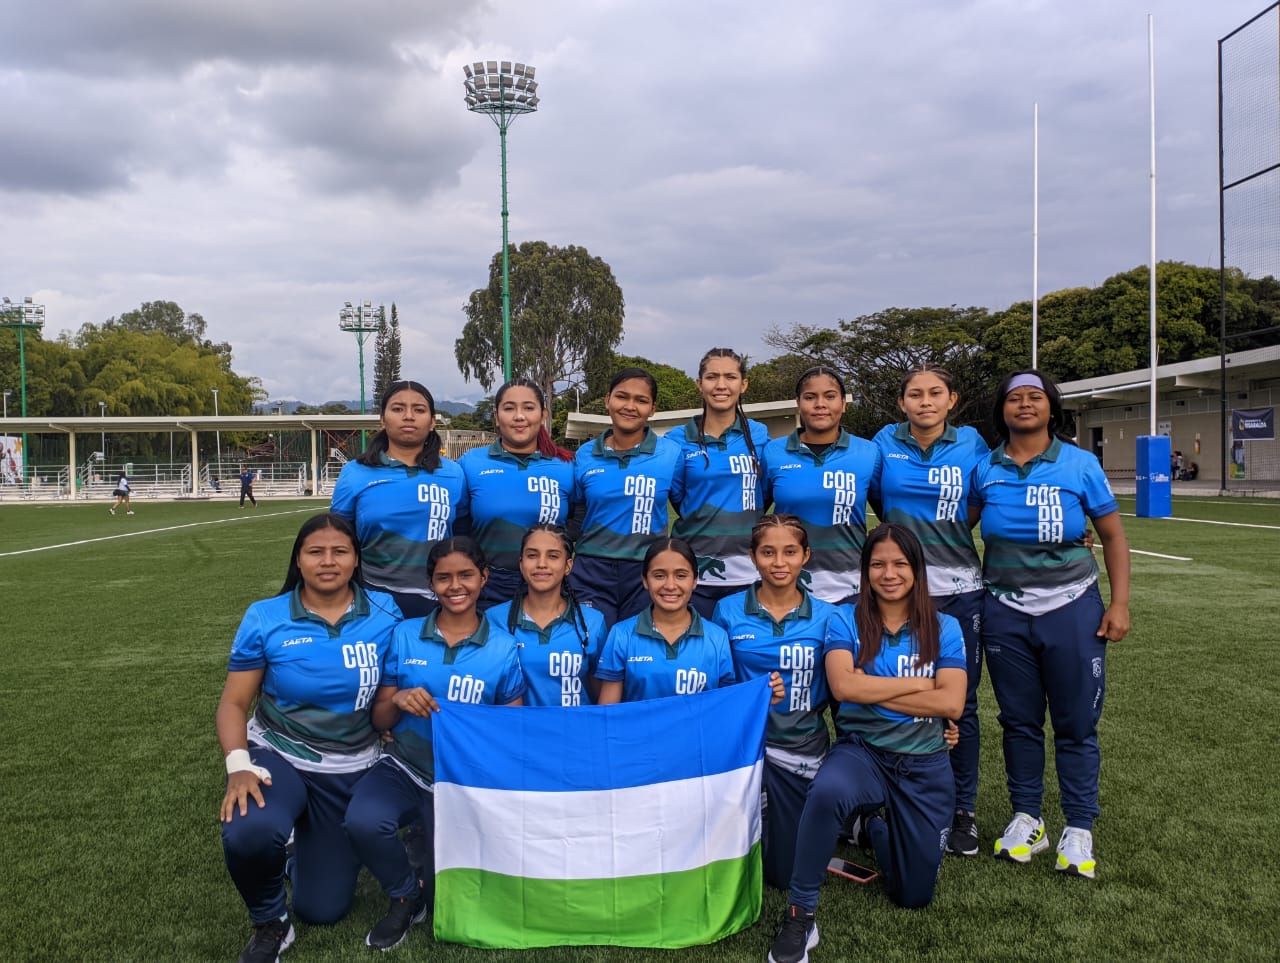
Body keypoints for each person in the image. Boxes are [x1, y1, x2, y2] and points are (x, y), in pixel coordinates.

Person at [766, 524, 966, 963]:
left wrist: (870, 683)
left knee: (913, 896)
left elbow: (952, 701)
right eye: (878, 564)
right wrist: (920, 688)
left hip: (925, 763)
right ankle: (801, 915)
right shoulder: (844, 618)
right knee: (828, 789)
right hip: (864, 752)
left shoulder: (945, 626)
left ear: (916, 569)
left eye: (899, 564)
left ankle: (873, 827)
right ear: (865, 569)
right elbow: (842, 688)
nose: (888, 573)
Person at [217, 513, 402, 963]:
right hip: (281, 752)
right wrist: (238, 766)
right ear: (298, 560)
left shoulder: (385, 612)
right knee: (249, 829)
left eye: (340, 551)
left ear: (356, 558)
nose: (328, 561)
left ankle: (300, 852)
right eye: (315, 551)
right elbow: (234, 704)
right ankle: (271, 923)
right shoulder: (266, 616)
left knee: (321, 909)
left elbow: (391, 692)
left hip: (352, 764)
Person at [972, 369, 1130, 879]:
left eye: (1034, 398)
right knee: (1018, 720)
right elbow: (958, 529)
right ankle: (1027, 818)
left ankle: (1079, 826)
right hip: (1005, 608)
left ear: (1050, 408)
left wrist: (1120, 603)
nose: (1023, 405)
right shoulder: (985, 468)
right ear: (1001, 409)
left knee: (1075, 723)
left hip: (1072, 605)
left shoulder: (1080, 464)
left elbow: (1111, 537)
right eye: (1013, 398)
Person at [343, 537, 525, 951]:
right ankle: (403, 893)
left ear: (484, 578)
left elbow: (512, 728)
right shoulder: (405, 635)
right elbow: (380, 718)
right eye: (443, 578)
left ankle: (425, 863)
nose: (455, 585)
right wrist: (398, 701)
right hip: (407, 765)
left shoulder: (502, 648)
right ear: (431, 584)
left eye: (465, 575)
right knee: (364, 821)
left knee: (448, 898)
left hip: (464, 780)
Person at [869, 366, 990, 856]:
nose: (924, 401)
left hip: (959, 589)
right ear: (902, 403)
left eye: (934, 393)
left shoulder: (972, 444)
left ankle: (963, 809)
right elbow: (875, 498)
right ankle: (883, 797)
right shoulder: (883, 443)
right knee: (888, 689)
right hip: (896, 592)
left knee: (963, 701)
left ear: (951, 399)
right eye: (914, 394)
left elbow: (981, 500)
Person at [712, 514, 841, 890]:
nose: (779, 563)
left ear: (806, 556)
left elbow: (842, 692)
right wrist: (754, 691)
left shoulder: (830, 617)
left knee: (781, 875)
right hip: (746, 748)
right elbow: (721, 683)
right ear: (752, 556)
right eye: (768, 552)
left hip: (802, 749)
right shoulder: (728, 610)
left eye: (789, 552)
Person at [330, 380, 468, 618]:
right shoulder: (355, 473)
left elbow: (463, 532)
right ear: (382, 419)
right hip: (374, 600)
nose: (408, 416)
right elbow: (337, 540)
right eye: (397, 409)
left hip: (440, 603)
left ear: (432, 421)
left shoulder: (453, 473)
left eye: (419, 409)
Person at [569, 368, 682, 624]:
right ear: (608, 400)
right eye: (622, 397)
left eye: (641, 400)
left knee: (638, 648)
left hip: (646, 571)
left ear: (652, 408)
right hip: (590, 572)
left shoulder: (671, 455)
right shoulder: (585, 455)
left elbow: (686, 510)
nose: (630, 406)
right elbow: (576, 514)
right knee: (591, 645)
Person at [763, 367, 880, 606]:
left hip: (852, 590)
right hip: (788, 587)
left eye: (829, 396)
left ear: (844, 403)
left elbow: (886, 513)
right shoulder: (773, 452)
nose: (820, 404)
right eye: (810, 397)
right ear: (798, 403)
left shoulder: (869, 452)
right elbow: (756, 514)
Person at [668, 347, 771, 617]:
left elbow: (766, 494)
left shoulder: (760, 435)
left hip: (749, 574)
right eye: (712, 377)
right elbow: (679, 499)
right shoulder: (676, 440)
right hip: (693, 575)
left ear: (743, 384)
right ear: (699, 384)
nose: (721, 385)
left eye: (730, 377)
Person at [460, 379, 576, 609]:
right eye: (509, 408)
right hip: (488, 586)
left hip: (549, 585)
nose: (519, 416)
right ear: (496, 416)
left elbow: (578, 516)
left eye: (528, 408)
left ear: (543, 414)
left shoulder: (566, 466)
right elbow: (459, 525)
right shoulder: (470, 464)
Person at [595, 537, 742, 704]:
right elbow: (608, 712)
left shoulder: (717, 638)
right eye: (659, 575)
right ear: (645, 580)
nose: (670, 585)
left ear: (694, 580)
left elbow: (725, 707)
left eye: (681, 575)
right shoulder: (621, 635)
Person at [486, 523, 607, 706]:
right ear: (521, 563)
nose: (541, 564)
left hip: (576, 732)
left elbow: (602, 696)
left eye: (553, 556)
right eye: (532, 555)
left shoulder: (592, 622)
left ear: (568, 566)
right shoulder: (494, 620)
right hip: (517, 732)